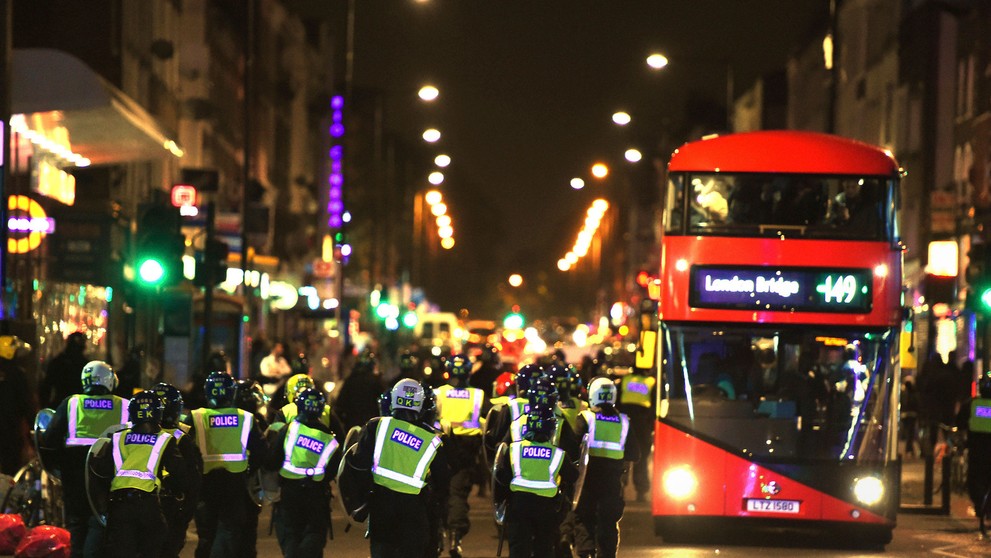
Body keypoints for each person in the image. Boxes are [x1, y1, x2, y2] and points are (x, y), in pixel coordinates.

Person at [342, 378, 451, 558]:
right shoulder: (432, 439)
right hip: (414, 511)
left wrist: (360, 502)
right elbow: (443, 482)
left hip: (381, 507)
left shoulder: (377, 426)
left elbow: (358, 466)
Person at [42, 360, 129, 558]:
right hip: (109, 472)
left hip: (74, 472)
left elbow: (50, 439)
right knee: (100, 520)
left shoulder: (72, 403)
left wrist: (56, 466)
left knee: (77, 521)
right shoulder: (124, 405)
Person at [91, 390, 187, 558]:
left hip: (119, 507)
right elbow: (179, 474)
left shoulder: (117, 438)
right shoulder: (165, 439)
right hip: (148, 507)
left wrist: (103, 505)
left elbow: (101, 473)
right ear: (158, 413)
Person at [188, 371, 267, 558]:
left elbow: (183, 450)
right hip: (234, 486)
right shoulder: (245, 418)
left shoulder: (196, 417)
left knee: (206, 537)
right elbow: (262, 451)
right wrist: (248, 468)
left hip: (206, 487)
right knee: (229, 536)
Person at [493, 402, 579, 558]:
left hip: (518, 506)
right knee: (544, 548)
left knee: (518, 549)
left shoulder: (513, 449)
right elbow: (573, 477)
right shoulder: (558, 454)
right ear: (551, 429)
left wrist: (501, 503)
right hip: (546, 508)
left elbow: (501, 478)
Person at [265, 387, 341, 558]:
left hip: (290, 492)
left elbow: (272, 461)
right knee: (315, 532)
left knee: (291, 533)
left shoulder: (289, 430)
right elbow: (333, 471)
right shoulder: (330, 439)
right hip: (317, 493)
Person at [573, 377, 640, 558]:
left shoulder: (586, 418)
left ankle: (586, 552)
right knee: (608, 522)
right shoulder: (624, 421)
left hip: (587, 479)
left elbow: (573, 449)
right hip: (612, 481)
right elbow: (635, 454)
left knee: (583, 517)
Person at [433, 354, 484, 557]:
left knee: (437, 491)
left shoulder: (439, 393)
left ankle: (437, 536)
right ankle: (455, 537)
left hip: (441, 446)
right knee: (457, 493)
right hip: (466, 450)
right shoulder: (477, 395)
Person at [149, 382, 202, 558]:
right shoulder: (181, 438)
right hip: (170, 505)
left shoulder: (127, 434)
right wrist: (186, 513)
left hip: (139, 503)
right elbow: (192, 482)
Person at [617, 367, 655, 503]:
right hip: (642, 424)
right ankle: (641, 491)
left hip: (625, 422)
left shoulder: (625, 380)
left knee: (622, 457)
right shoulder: (651, 382)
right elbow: (654, 407)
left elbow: (618, 403)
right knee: (641, 458)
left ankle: (619, 488)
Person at [0, 335, 34, 476]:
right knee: (10, 470)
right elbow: (26, 404)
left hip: (10, 429)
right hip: (10, 431)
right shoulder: (17, 375)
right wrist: (32, 428)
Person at [335, 351, 387, 430]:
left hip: (352, 427)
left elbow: (339, 406)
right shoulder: (377, 382)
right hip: (373, 428)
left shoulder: (350, 381)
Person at [38, 332, 89, 408]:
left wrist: (45, 406)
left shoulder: (58, 361)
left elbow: (46, 387)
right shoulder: (85, 365)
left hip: (62, 405)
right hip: (79, 406)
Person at [965, 376, 991, 519]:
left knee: (974, 478)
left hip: (976, 449)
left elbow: (961, 421)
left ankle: (979, 505)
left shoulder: (972, 404)